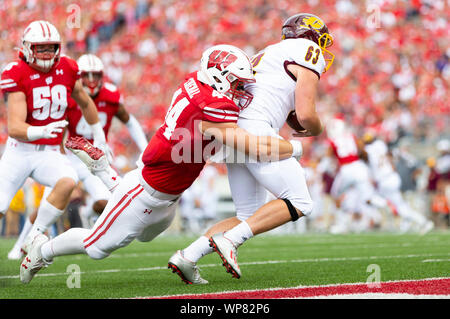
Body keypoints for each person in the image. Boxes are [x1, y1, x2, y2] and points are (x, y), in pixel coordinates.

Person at [19, 44, 303, 284]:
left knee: (144, 237)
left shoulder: (198, 83)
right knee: (97, 248)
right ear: (218, 76)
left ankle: (105, 171)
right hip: (147, 192)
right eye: (237, 83)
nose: (240, 90)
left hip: (166, 194)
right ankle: (41, 250)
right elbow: (256, 146)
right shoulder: (213, 106)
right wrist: (296, 147)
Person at [168, 13, 334, 284]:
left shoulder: (267, 52)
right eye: (322, 40)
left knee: (247, 215)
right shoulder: (308, 50)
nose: (323, 48)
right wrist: (316, 129)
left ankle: (187, 256)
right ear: (311, 37)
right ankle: (231, 240)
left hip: (233, 129)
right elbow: (306, 115)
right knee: (301, 201)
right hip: (255, 129)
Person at [7, 54, 148, 260]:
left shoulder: (110, 96)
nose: (91, 80)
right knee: (48, 203)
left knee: (108, 202)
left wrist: (144, 147)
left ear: (102, 76)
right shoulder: (67, 94)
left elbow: (129, 120)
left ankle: (88, 212)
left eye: (95, 75)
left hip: (96, 160)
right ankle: (20, 245)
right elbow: (57, 129)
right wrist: (56, 156)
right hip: (70, 156)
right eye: (86, 75)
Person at [0, 20, 107, 257]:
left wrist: (99, 136)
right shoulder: (16, 72)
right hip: (20, 151)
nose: (48, 52)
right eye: (41, 47)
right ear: (28, 48)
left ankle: (32, 238)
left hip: (48, 152)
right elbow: (15, 127)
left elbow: (85, 101)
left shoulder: (68, 68)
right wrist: (40, 131)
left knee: (68, 181)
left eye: (51, 47)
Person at [363, 132, 434, 234]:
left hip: (385, 180)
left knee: (373, 199)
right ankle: (407, 221)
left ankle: (422, 221)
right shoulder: (380, 145)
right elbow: (389, 154)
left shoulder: (368, 149)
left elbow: (363, 154)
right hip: (391, 177)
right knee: (384, 201)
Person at [325, 117, 384, 234]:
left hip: (346, 168)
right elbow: (362, 150)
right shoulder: (351, 136)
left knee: (336, 195)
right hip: (359, 167)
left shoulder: (333, 140)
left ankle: (342, 224)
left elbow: (329, 158)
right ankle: (377, 211)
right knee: (366, 196)